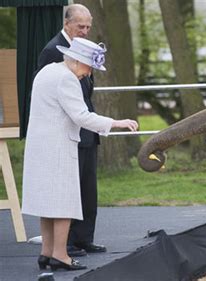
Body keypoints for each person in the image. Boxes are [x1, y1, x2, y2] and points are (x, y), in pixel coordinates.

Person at [22, 37, 139, 271]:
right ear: (77, 61)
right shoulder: (67, 78)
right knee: (64, 202)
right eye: (89, 67)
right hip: (59, 147)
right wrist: (117, 122)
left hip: (40, 146)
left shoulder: (47, 71)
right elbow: (81, 116)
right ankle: (60, 254)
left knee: (47, 202)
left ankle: (46, 252)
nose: (88, 74)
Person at [36, 4, 104, 256]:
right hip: (68, 130)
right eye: (80, 26)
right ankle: (66, 244)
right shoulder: (53, 50)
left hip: (86, 127)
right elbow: (47, 93)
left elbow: (85, 91)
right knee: (69, 189)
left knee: (87, 188)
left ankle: (84, 237)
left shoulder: (83, 49)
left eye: (88, 27)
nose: (85, 31)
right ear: (67, 24)